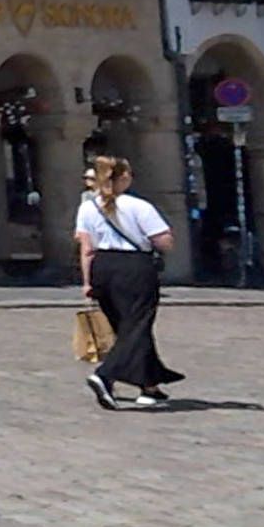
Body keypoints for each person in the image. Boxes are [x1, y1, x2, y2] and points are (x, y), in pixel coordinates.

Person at [77, 154, 179, 409]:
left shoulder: (88, 207)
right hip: (133, 267)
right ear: (122, 178)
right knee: (136, 326)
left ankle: (149, 385)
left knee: (127, 328)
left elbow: (86, 248)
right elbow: (163, 241)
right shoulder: (138, 206)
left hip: (103, 267)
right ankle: (104, 375)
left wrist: (87, 281)